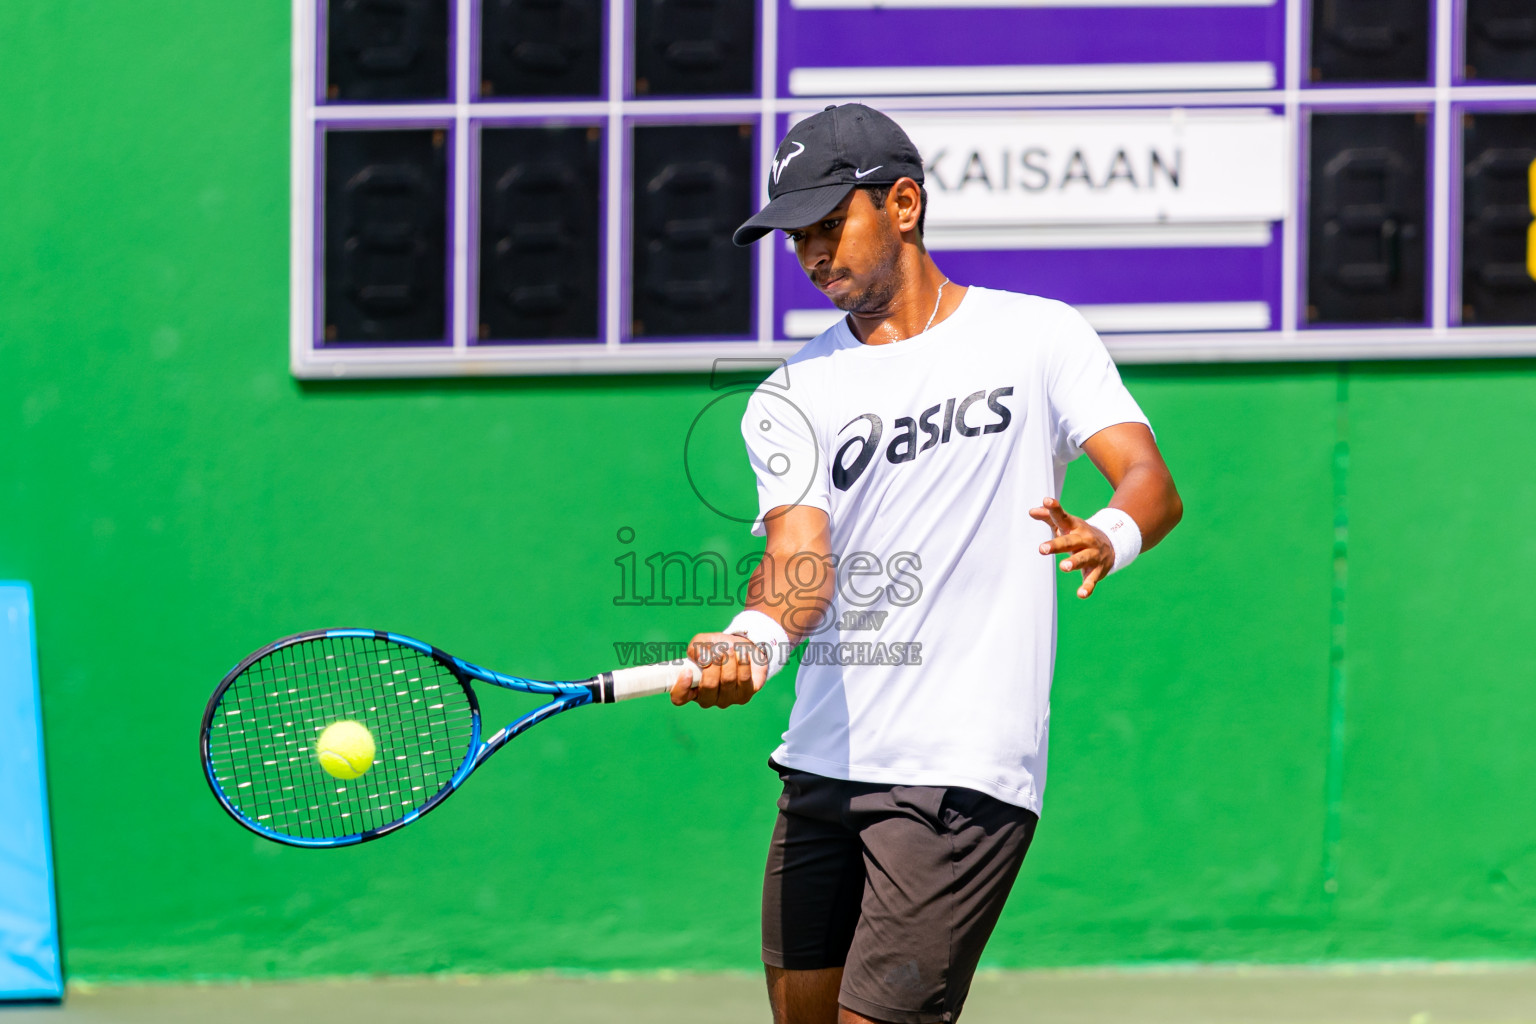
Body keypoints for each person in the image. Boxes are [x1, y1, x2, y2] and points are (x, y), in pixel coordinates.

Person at [668, 103, 1183, 1024]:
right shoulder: (790, 395)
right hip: (820, 768)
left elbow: (1150, 479)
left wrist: (1109, 529)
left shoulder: (1039, 337)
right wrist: (750, 641)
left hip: (960, 772)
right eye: (798, 238)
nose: (815, 255)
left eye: (832, 225)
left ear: (903, 204)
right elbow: (799, 561)